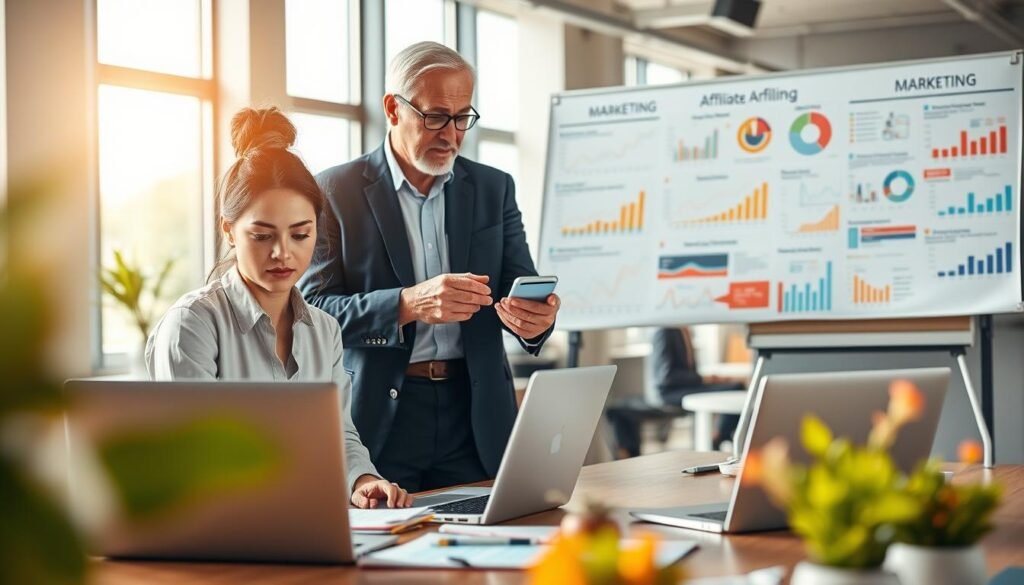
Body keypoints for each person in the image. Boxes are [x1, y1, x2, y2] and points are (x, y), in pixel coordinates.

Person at [300, 41, 560, 492]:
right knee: (384, 552)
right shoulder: (333, 190)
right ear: (392, 108)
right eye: (436, 116)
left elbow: (516, 289)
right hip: (381, 416)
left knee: (490, 547)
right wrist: (408, 304)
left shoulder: (494, 187)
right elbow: (311, 311)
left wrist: (534, 321)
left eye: (463, 118)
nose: (452, 134)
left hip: (476, 414)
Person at [146, 107, 411, 509]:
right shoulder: (193, 325)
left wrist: (362, 479)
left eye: (300, 234)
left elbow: (339, 433)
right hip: (221, 534)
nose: (283, 253)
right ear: (228, 230)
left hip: (302, 522)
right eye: (262, 235)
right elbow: (196, 461)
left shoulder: (323, 329)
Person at [606, 327, 743, 458]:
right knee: (736, 388)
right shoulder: (665, 331)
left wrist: (708, 379)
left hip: (682, 388)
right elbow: (666, 378)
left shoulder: (682, 330)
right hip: (667, 394)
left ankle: (718, 436)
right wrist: (704, 378)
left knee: (736, 386)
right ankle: (718, 438)